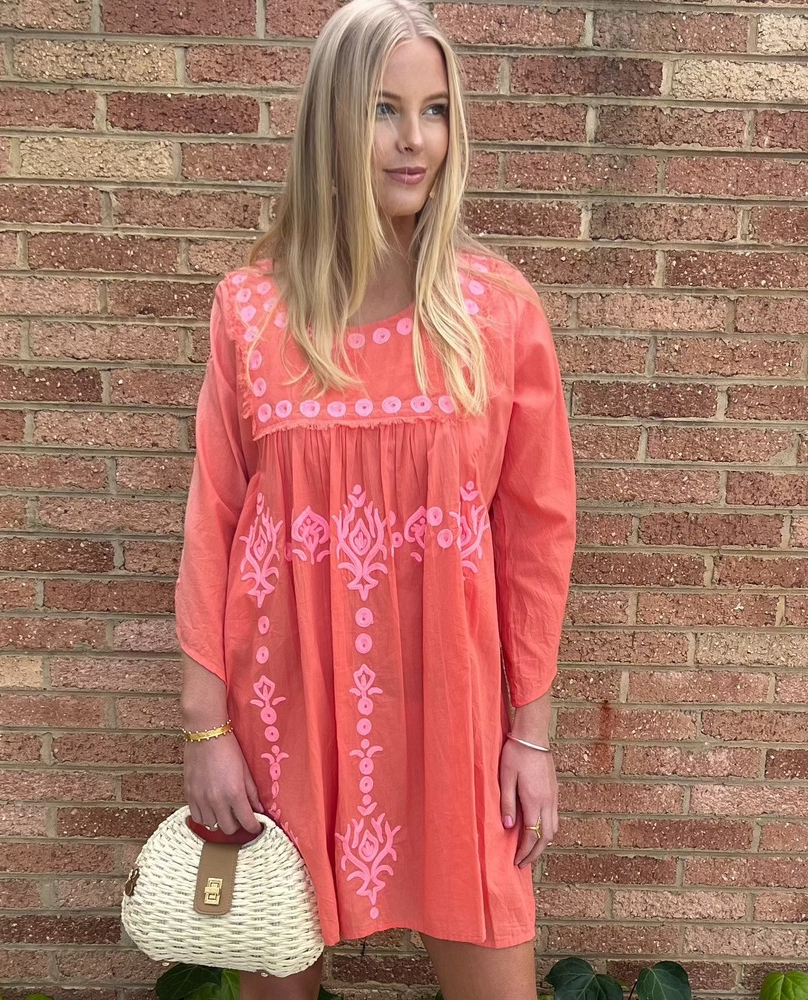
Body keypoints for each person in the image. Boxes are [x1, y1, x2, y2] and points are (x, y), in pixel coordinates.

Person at [173, 1, 577, 996]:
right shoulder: (253, 309)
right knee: (278, 969)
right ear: (331, 123)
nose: (413, 139)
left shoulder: (496, 310)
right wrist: (205, 729)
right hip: (286, 708)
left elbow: (536, 534)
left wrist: (531, 737)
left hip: (454, 711)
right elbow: (213, 518)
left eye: (435, 110)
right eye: (385, 109)